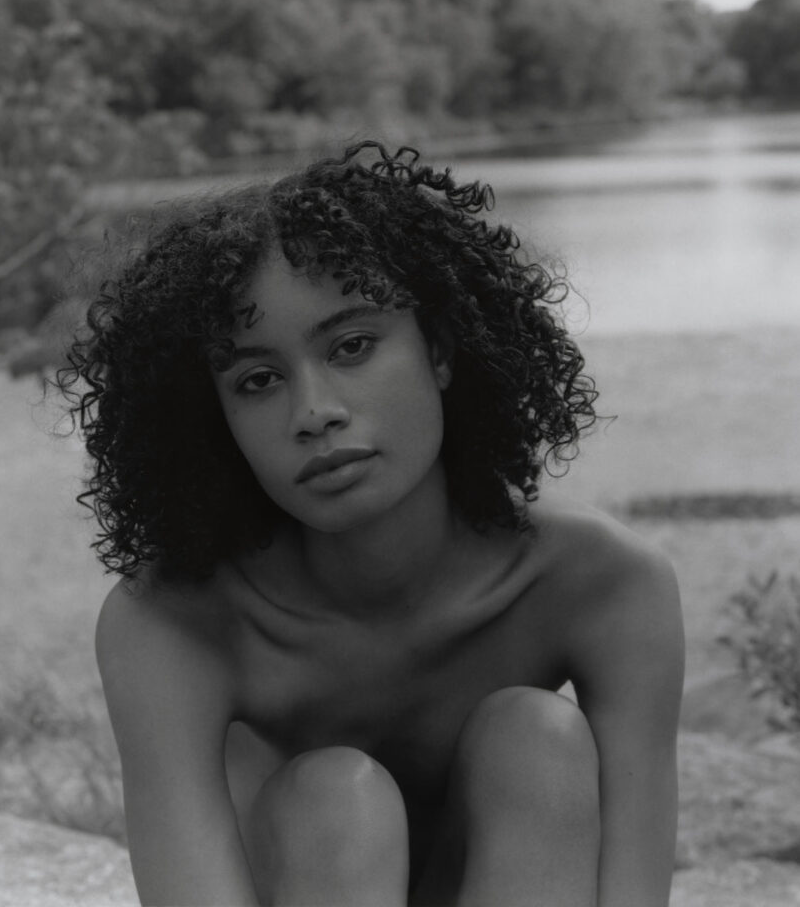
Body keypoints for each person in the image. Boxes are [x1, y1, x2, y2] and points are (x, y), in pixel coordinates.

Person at [59, 140, 684, 907]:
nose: (314, 411)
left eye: (352, 346)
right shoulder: (173, 623)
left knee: (537, 737)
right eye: (258, 380)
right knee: (334, 795)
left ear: (442, 351)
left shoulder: (604, 583)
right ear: (214, 417)